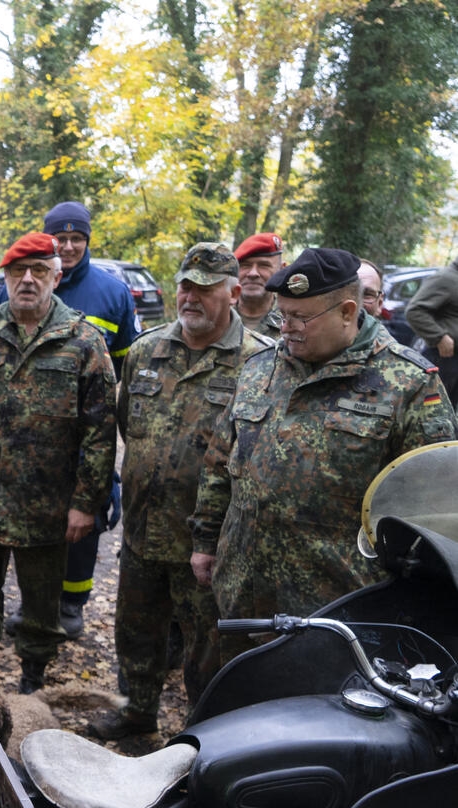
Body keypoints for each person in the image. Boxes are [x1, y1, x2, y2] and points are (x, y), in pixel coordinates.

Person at [191, 247, 457, 662]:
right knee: (228, 704)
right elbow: (221, 459)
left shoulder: (407, 383)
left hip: (337, 611)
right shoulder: (262, 367)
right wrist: (205, 541)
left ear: (348, 311)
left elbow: (436, 510)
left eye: (301, 318)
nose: (287, 329)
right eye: (283, 316)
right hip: (241, 591)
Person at [87, 244, 270, 740]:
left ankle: (205, 736)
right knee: (136, 635)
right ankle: (135, 713)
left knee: (206, 647)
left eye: (205, 289)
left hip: (208, 543)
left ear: (233, 293)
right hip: (145, 531)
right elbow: (130, 430)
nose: (190, 297)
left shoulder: (259, 362)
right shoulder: (147, 351)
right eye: (185, 285)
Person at [0, 232, 117, 693]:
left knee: (42, 604)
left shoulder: (83, 341)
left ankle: (32, 680)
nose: (28, 280)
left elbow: (99, 433)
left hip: (48, 506)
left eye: (40, 271)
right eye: (19, 271)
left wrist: (85, 502)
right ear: (4, 276)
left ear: (57, 277)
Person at [11, 201, 137, 640]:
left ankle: (72, 604)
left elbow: (129, 366)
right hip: (33, 432)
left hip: (86, 427)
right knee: (33, 524)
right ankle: (33, 604)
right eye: (59, 239)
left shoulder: (112, 292)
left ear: (87, 241)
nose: (66, 246)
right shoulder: (30, 280)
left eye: (75, 239)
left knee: (84, 521)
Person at [405, 254, 458, 402]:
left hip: (454, 362)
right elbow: (414, 311)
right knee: (434, 409)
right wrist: (439, 337)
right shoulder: (445, 278)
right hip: (443, 358)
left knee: (450, 413)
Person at [232, 232, 285, 338]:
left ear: (281, 269)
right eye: (245, 265)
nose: (253, 273)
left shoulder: (293, 323)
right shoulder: (217, 317)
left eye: (263, 265)